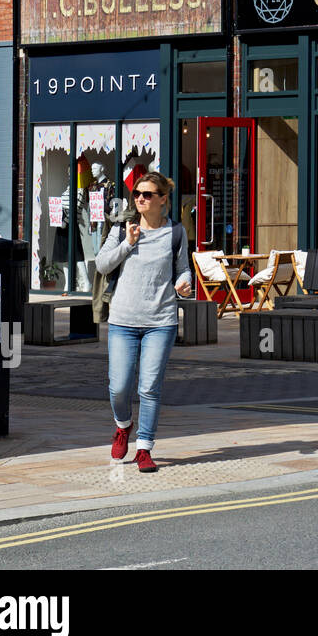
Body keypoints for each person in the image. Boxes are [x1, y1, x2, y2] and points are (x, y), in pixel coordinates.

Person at [96, 172, 191, 473]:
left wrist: (185, 284)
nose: (140, 198)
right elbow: (102, 264)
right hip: (123, 319)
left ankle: (144, 448)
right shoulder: (122, 228)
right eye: (137, 193)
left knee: (150, 387)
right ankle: (123, 425)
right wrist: (127, 243)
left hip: (160, 320)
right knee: (119, 387)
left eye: (148, 194)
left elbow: (182, 269)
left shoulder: (175, 231)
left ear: (163, 199)